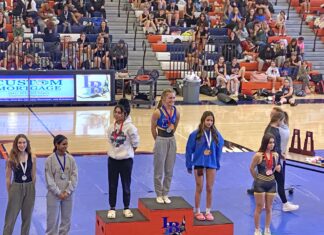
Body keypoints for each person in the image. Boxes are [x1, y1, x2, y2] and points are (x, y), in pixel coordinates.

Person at [185, 111, 224, 221]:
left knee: (209, 188)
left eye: (211, 120)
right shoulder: (195, 134)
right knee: (199, 187)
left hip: (211, 163)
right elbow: (189, 150)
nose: (209, 122)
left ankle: (208, 211)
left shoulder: (216, 134)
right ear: (203, 120)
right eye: (207, 120)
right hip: (199, 164)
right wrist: (189, 164)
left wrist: (217, 163)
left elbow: (220, 147)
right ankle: (197, 211)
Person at [107, 103, 139, 219]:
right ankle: (112, 208)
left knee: (126, 185)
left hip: (126, 161)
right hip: (112, 160)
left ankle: (126, 207)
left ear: (125, 114)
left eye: (119, 112)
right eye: (115, 112)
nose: (116, 114)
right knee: (112, 185)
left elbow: (135, 143)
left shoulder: (130, 128)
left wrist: (128, 153)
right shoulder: (111, 127)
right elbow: (110, 141)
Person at [266, 109, 299, 212]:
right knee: (279, 181)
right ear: (279, 120)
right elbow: (272, 148)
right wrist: (276, 164)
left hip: (273, 158)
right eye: (282, 121)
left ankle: (267, 202)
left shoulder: (272, 129)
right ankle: (284, 204)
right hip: (272, 160)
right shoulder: (274, 131)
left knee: (273, 181)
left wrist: (280, 155)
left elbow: (276, 147)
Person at [151, 88, 180, 204]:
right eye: (170, 98)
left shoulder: (176, 111)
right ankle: (158, 193)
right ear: (163, 99)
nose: (172, 100)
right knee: (159, 169)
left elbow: (176, 124)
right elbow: (153, 128)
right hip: (161, 139)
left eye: (173, 98)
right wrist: (158, 140)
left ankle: (166, 193)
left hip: (171, 140)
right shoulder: (157, 112)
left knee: (169, 169)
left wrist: (171, 135)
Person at [3, 134, 36, 235]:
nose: (22, 145)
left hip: (29, 187)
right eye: (20, 143)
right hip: (16, 187)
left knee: (27, 218)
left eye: (24, 142)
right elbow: (8, 178)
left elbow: (33, 176)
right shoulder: (11, 159)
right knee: (10, 219)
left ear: (27, 143)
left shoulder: (33, 157)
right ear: (16, 144)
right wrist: (10, 193)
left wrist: (32, 190)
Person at [45, 134, 78, 235]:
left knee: (66, 222)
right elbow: (49, 179)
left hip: (68, 195)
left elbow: (74, 177)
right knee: (52, 222)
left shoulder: (71, 159)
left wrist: (67, 192)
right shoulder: (49, 160)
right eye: (63, 144)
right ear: (56, 144)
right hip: (54, 195)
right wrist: (58, 193)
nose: (66, 146)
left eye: (67, 144)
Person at [250, 133, 281, 235]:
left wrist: (277, 168)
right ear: (265, 143)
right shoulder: (258, 155)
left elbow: (274, 169)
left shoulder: (275, 155)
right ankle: (257, 229)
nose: (271, 144)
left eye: (273, 142)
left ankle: (267, 228)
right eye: (269, 142)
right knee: (259, 207)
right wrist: (257, 179)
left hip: (272, 183)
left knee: (269, 207)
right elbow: (251, 168)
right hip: (260, 184)